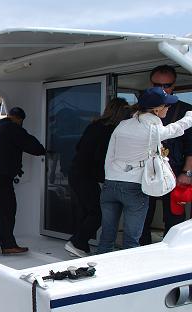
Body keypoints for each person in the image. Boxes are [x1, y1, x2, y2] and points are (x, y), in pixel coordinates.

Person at [98, 88, 192, 253]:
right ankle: (129, 274)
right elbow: (173, 131)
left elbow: (109, 155)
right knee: (132, 240)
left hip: (111, 184)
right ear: (156, 109)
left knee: (107, 236)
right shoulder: (151, 128)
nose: (169, 108)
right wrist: (189, 118)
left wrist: (110, 176)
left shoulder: (123, 124)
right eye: (167, 106)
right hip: (134, 188)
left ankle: (100, 270)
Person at [64, 98, 131, 257]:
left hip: (76, 172)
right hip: (86, 175)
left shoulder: (94, 125)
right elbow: (101, 157)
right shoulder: (111, 130)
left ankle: (81, 244)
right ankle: (77, 242)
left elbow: (79, 146)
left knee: (86, 210)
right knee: (97, 212)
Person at [0, 107, 46, 254]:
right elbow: (34, 147)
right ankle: (8, 245)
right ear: (19, 119)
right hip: (2, 177)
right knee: (7, 210)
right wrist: (46, 150)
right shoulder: (13, 128)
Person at [140, 65, 192, 244]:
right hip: (146, 170)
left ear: (174, 85)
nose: (162, 89)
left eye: (167, 85)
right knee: (143, 214)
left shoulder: (185, 110)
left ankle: (169, 252)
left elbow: (191, 146)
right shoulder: (141, 109)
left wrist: (186, 173)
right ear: (150, 84)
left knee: (174, 216)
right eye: (157, 84)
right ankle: (142, 250)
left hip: (175, 170)